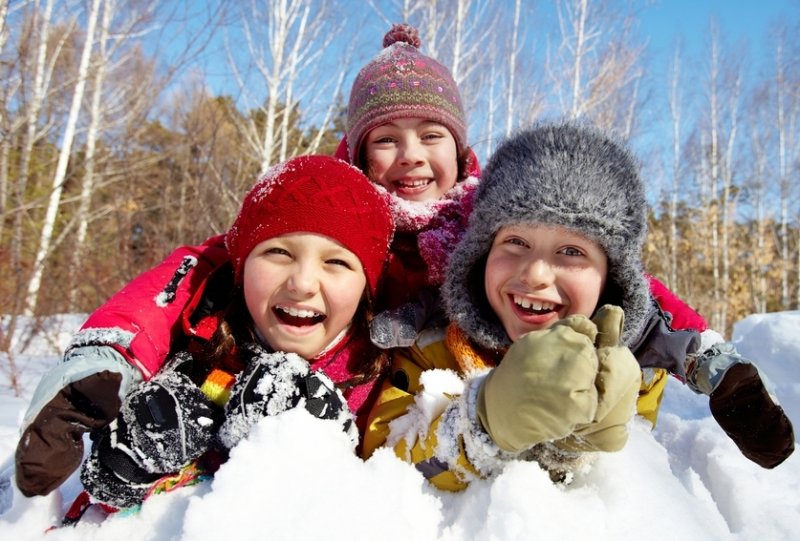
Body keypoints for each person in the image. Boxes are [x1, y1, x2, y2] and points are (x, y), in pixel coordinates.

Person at [13, 23, 753, 498]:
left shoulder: (495, 219)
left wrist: (706, 358)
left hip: (445, 385)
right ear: (359, 149)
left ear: (458, 145)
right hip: (373, 398)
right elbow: (202, 268)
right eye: (385, 137)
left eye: (428, 133)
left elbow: (614, 278)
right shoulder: (325, 212)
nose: (409, 156)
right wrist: (101, 362)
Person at [362, 123, 794, 492]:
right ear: (480, 253)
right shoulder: (434, 346)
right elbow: (390, 455)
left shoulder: (633, 363)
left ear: (611, 277)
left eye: (570, 251)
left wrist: (574, 446)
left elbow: (629, 490)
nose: (534, 274)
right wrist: (482, 423)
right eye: (515, 242)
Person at [64, 155, 395, 514]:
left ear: (367, 287)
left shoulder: (384, 382)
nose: (302, 283)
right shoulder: (198, 351)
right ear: (241, 266)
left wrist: (331, 451)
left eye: (336, 262)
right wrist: (126, 469)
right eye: (279, 252)